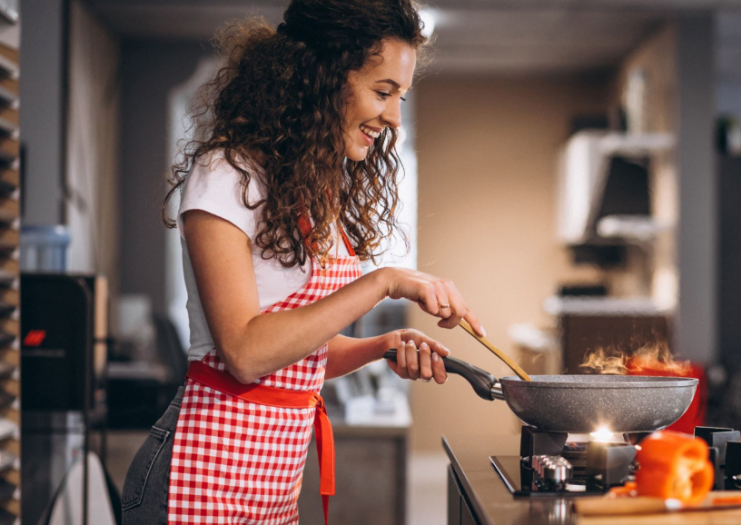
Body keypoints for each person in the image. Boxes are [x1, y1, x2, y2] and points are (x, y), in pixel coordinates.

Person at [120, 1, 483, 523]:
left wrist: (381, 346)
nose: (393, 118)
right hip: (198, 479)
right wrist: (383, 281)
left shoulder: (310, 192)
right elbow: (246, 353)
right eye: (382, 92)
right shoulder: (227, 176)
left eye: (400, 97)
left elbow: (295, 355)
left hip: (271, 489)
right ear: (322, 77)